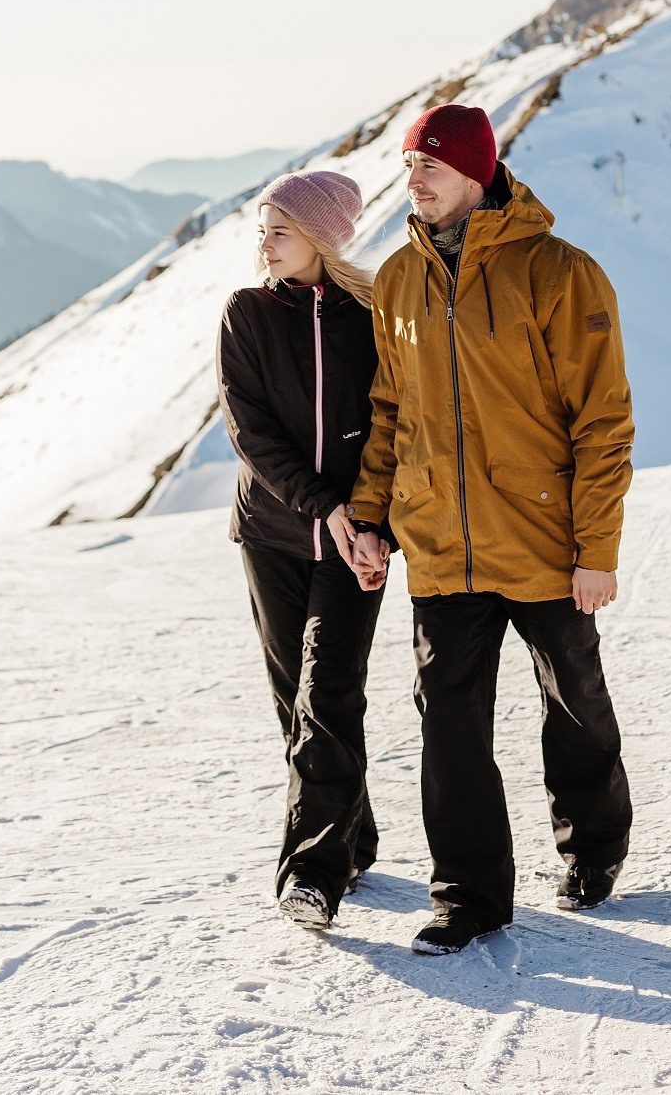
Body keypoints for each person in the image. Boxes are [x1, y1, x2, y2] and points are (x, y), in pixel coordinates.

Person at [343, 103, 634, 955]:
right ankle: (467, 896)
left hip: (545, 541)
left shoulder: (561, 273)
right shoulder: (398, 279)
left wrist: (597, 551)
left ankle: (593, 851)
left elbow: (603, 421)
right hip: (440, 542)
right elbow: (389, 411)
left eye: (429, 165)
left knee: (574, 701)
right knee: (449, 722)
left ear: (476, 171)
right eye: (408, 166)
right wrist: (371, 518)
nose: (415, 180)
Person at [216, 169, 389, 933]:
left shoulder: (369, 316)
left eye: (280, 228)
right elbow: (250, 434)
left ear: (321, 236)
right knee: (300, 704)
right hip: (275, 534)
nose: (266, 241)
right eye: (263, 227)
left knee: (329, 696)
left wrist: (373, 519)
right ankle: (352, 836)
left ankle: (313, 873)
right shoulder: (246, 314)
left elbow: (395, 426)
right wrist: (328, 507)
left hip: (358, 541)